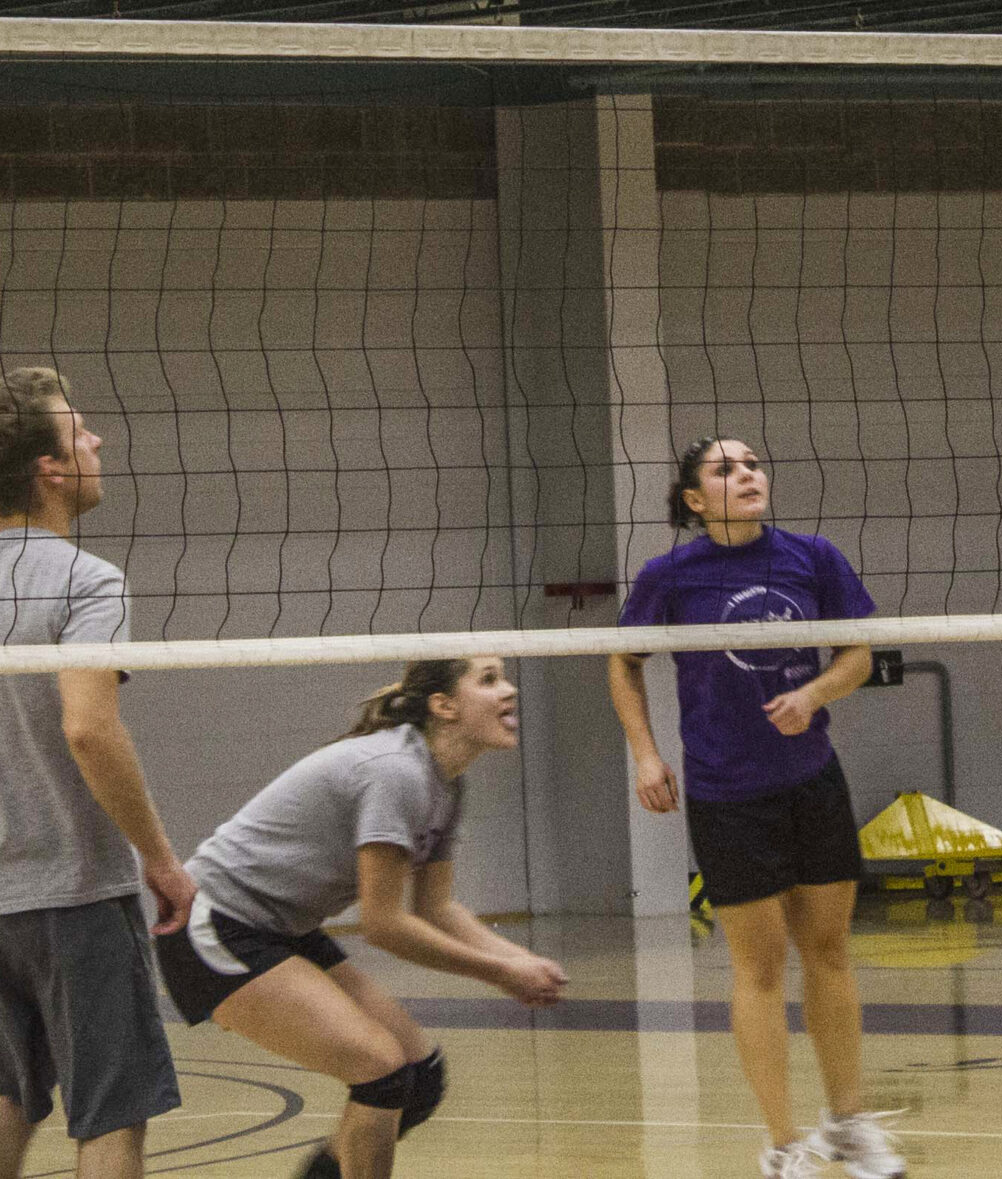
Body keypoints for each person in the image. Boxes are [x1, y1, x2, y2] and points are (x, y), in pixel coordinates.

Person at [608, 438, 900, 1179]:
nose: (748, 474)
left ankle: (849, 1123)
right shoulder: (669, 576)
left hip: (812, 778)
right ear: (695, 499)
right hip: (727, 790)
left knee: (829, 951)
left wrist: (814, 693)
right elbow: (621, 661)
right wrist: (645, 753)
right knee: (759, 967)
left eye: (753, 463)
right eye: (725, 468)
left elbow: (858, 653)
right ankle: (782, 1141)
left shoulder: (814, 557)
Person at [154, 657, 567, 1179]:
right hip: (216, 926)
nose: (509, 691)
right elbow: (384, 924)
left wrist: (523, 960)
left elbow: (436, 908)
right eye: (488, 680)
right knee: (381, 1072)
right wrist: (501, 972)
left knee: (417, 1079)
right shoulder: (394, 772)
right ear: (444, 706)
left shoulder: (445, 781)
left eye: (504, 676)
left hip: (282, 927)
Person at [0, 369, 189, 1179]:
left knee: (5, 1100)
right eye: (80, 433)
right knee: (112, 1111)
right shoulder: (86, 580)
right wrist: (159, 856)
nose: (97, 441)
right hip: (74, 893)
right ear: (48, 467)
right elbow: (88, 726)